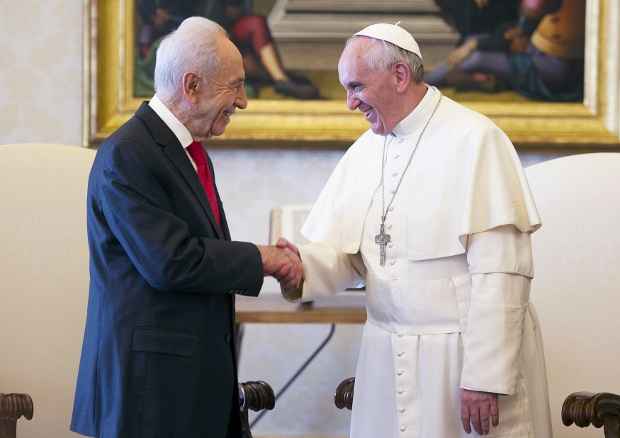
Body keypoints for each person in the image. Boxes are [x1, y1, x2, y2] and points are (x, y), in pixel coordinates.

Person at [277, 23, 552, 437]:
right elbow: (350, 253)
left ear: (400, 76)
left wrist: (485, 377)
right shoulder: (367, 149)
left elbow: (502, 273)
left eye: (356, 87)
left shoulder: (475, 140)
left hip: (461, 359)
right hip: (385, 353)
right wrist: (301, 267)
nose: (350, 103)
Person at [70, 17, 302, 438]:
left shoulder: (188, 152)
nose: (244, 101)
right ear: (192, 86)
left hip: (186, 386)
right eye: (235, 85)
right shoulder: (129, 155)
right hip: (147, 394)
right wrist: (263, 258)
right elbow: (171, 262)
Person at [136, 0, 319, 99]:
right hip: (183, 35)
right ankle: (263, 76)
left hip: (223, 29)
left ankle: (281, 80)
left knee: (255, 23)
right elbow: (157, 17)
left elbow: (233, 9)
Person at [427, 0, 585, 101]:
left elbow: (532, 11)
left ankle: (427, 83)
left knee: (476, 59)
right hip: (537, 54)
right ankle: (430, 81)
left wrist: (474, 45)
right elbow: (512, 32)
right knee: (472, 49)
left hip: (552, 68)